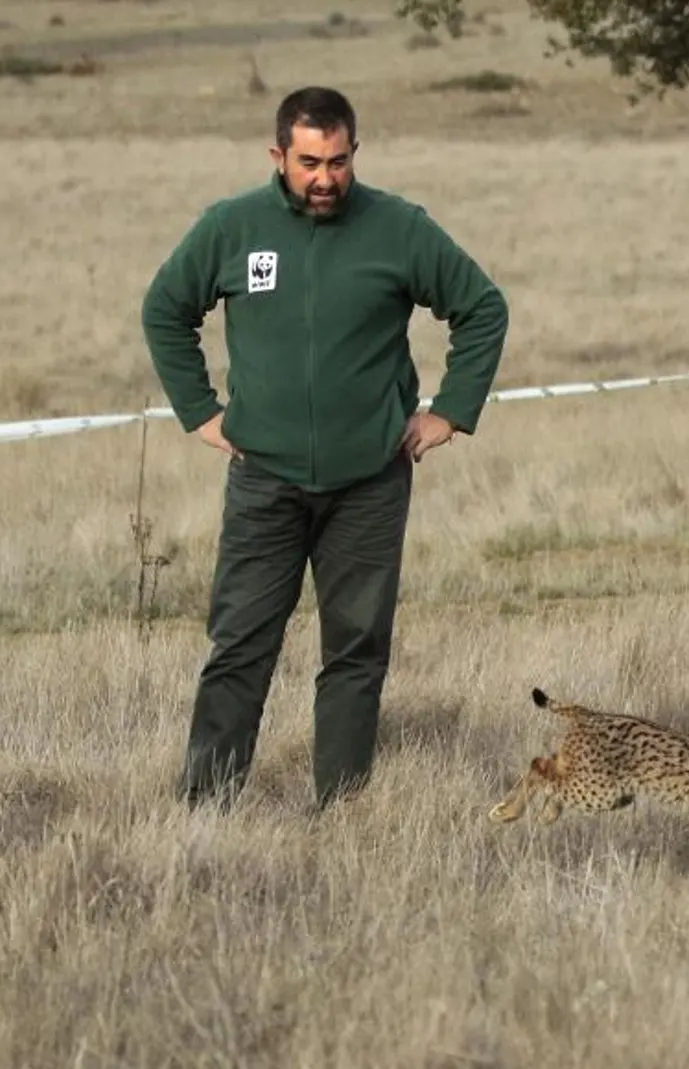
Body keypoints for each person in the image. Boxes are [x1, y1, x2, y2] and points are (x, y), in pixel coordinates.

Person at [140, 87, 510, 809]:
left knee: (357, 648)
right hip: (264, 480)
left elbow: (482, 307)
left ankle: (343, 807)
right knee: (241, 643)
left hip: (370, 482)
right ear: (278, 155)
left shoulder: (399, 228)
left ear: (354, 155)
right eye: (309, 162)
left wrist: (451, 412)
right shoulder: (231, 227)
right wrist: (200, 412)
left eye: (338, 161)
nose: (324, 178)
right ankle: (206, 806)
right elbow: (165, 309)